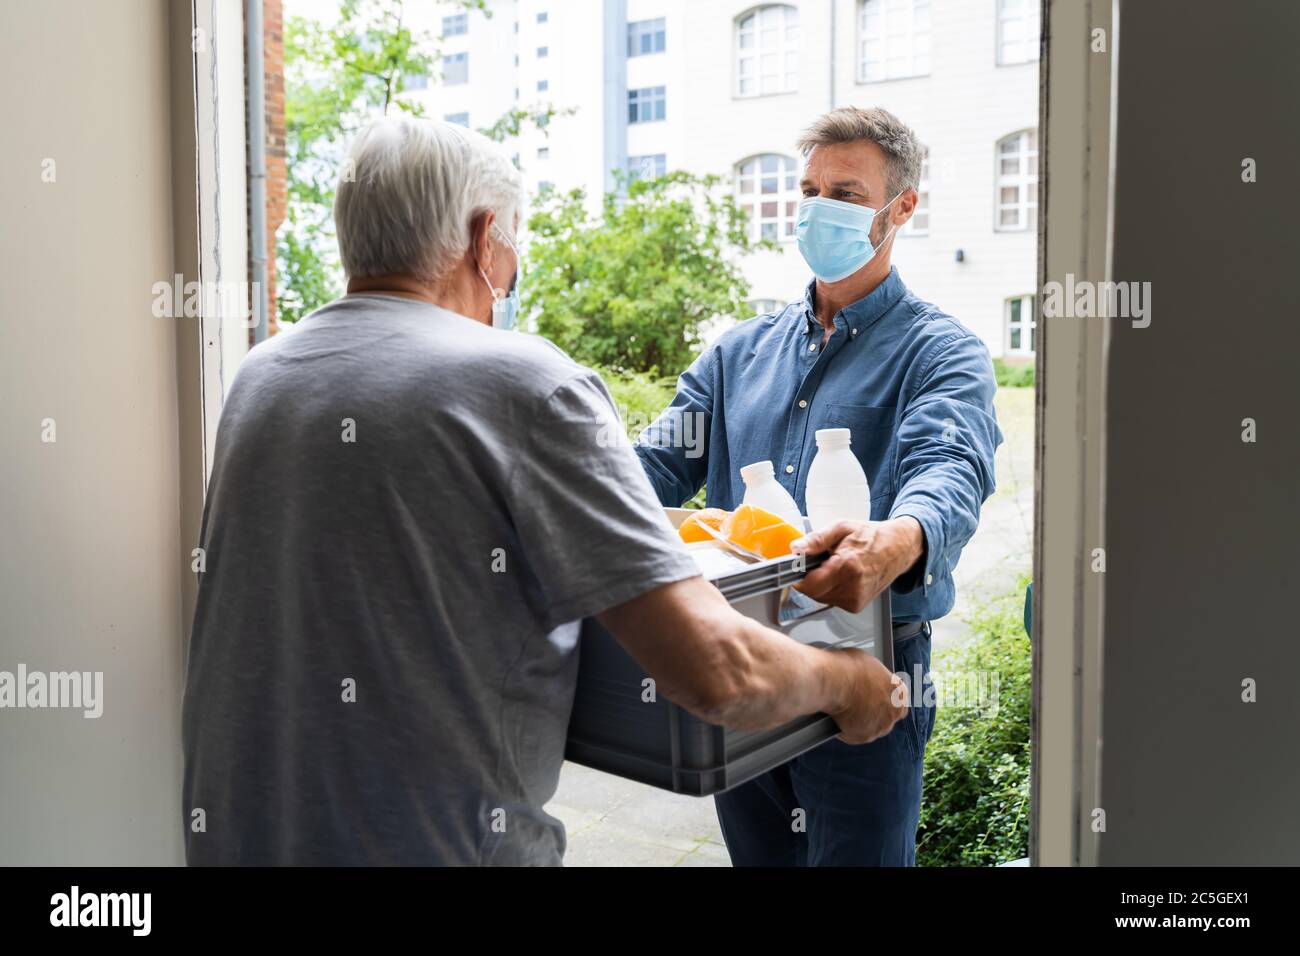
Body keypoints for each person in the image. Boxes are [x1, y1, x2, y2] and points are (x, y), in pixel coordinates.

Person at [181, 115, 907, 866]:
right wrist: (847, 681)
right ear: (483, 237)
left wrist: (641, 519)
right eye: (516, 238)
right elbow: (717, 670)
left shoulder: (265, 376)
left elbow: (410, 532)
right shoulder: (525, 383)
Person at [635, 106, 1003, 866]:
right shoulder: (739, 353)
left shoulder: (941, 354)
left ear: (902, 207)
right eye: (808, 190)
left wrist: (894, 540)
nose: (816, 209)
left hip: (871, 669)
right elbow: (652, 465)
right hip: (747, 657)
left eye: (844, 191)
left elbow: (950, 466)